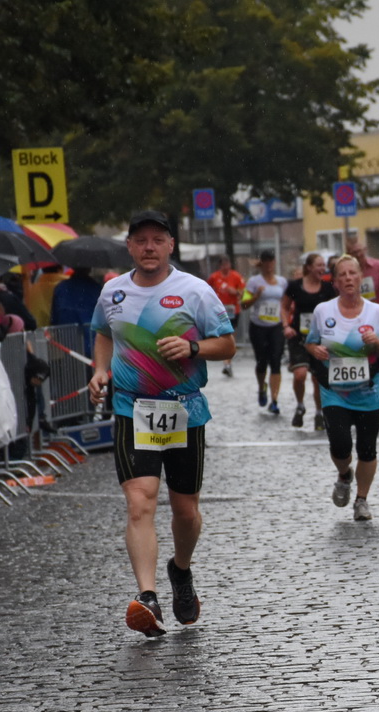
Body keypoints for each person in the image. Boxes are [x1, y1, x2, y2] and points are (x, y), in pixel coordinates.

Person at [86, 210, 236, 638]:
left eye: (157, 239)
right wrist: (100, 371)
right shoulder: (113, 292)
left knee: (186, 511)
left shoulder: (195, 291)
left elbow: (227, 345)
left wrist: (193, 346)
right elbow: (103, 334)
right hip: (132, 409)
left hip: (183, 408)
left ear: (171, 245)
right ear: (129, 247)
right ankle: (147, 595)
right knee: (141, 501)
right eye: (140, 240)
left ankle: (180, 570)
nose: (148, 247)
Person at [306, 253, 379, 519]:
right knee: (340, 445)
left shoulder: (376, 312)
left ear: (361, 279)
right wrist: (317, 350)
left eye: (352, 273)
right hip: (335, 392)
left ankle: (361, 500)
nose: (348, 278)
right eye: (342, 274)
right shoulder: (323, 311)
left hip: (370, 390)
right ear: (334, 282)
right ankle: (344, 474)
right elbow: (310, 342)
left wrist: (378, 342)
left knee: (367, 448)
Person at [282, 252, 335, 430]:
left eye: (324, 265)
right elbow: (284, 306)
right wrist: (285, 326)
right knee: (300, 374)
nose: (322, 268)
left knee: (318, 379)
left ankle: (319, 413)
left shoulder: (328, 288)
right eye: (319, 265)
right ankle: (300, 405)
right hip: (299, 338)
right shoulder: (295, 286)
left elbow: (335, 310)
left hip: (320, 340)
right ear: (309, 267)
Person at [243, 249, 288, 413]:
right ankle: (262, 387)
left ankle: (274, 400)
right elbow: (244, 304)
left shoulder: (282, 282)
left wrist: (286, 321)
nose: (269, 264)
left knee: (276, 362)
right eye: (266, 261)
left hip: (276, 326)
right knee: (262, 362)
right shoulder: (254, 282)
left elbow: (285, 303)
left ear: (274, 262)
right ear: (262, 263)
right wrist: (256, 296)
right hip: (258, 327)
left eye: (271, 261)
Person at [207, 255, 245, 377]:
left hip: (233, 310)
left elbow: (244, 293)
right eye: (223, 264)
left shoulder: (236, 276)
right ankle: (225, 362)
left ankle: (227, 363)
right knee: (221, 335)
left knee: (230, 335)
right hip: (219, 310)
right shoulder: (214, 277)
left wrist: (234, 292)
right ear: (220, 266)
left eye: (227, 264)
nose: (225, 267)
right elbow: (206, 290)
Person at [344, 235, 379, 312]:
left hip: (375, 313)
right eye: (354, 252)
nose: (358, 255)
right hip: (353, 313)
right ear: (349, 254)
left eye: (359, 251)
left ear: (365, 249)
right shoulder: (345, 270)